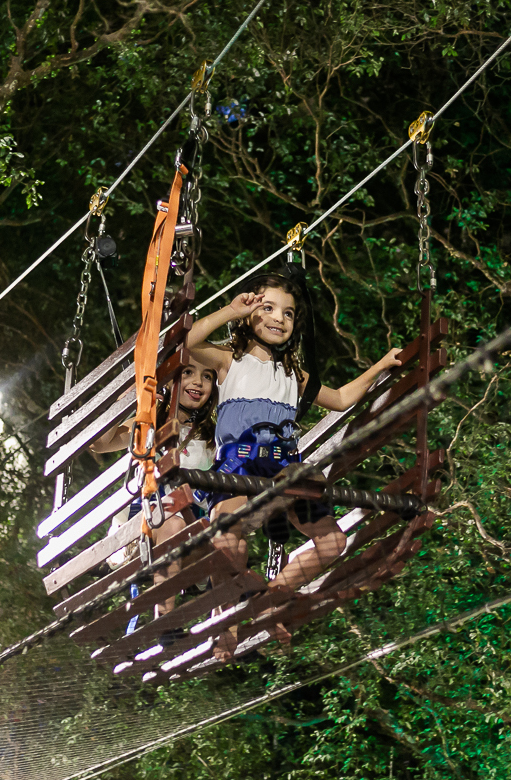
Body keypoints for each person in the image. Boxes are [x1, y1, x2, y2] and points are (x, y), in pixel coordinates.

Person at [185, 274, 401, 657]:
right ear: (251, 313)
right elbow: (191, 341)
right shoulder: (229, 362)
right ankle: (227, 628)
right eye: (267, 308)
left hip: (283, 468)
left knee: (333, 540)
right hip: (240, 466)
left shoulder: (294, 375)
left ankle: (271, 598)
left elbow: (340, 398)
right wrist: (232, 310)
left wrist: (381, 365)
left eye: (287, 313)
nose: (278, 318)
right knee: (226, 539)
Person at [90, 359, 217, 618]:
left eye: (207, 376)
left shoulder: (211, 438)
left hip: (190, 528)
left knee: (206, 532)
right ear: (171, 382)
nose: (197, 381)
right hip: (142, 527)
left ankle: (227, 627)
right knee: (172, 524)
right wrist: (132, 398)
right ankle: (165, 618)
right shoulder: (146, 425)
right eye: (188, 372)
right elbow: (99, 445)